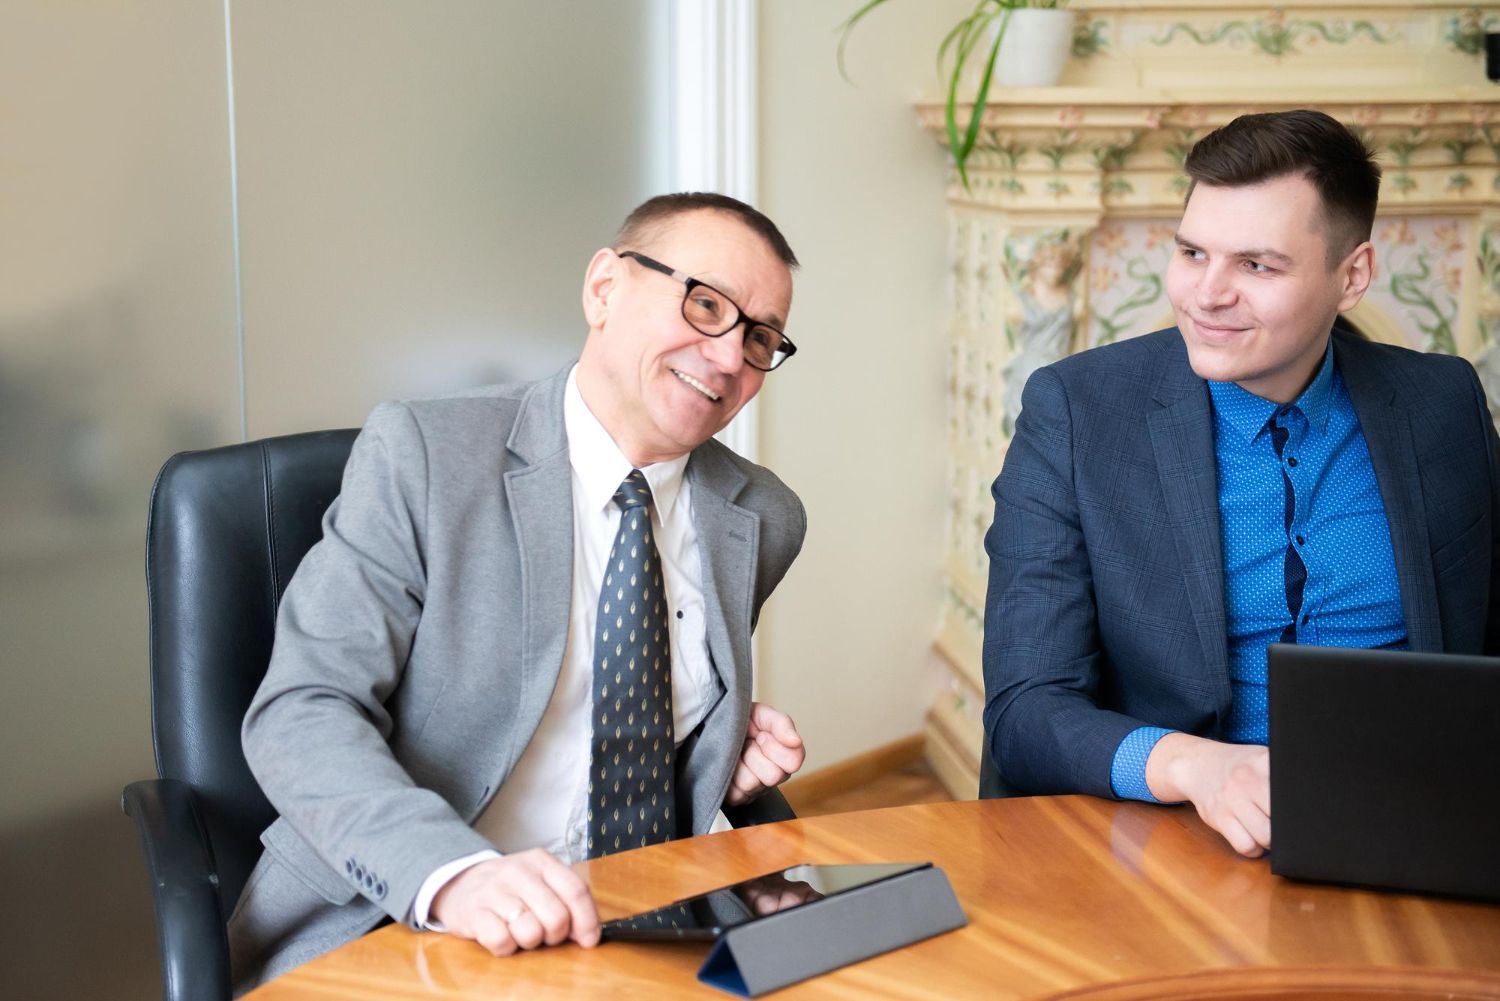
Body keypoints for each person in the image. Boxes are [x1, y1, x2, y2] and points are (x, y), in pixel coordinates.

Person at [229, 193, 810, 993]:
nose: (725, 355)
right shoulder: (425, 456)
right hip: (407, 916)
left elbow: (618, 725)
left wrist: (717, 757)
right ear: (604, 288)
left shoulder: (762, 514)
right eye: (704, 303)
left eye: (759, 336)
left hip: (643, 924)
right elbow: (301, 711)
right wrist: (456, 875)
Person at [982, 110, 1500, 858]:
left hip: (1417, 824)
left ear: (1351, 276)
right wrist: (1197, 766)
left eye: (1257, 265)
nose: (1206, 294)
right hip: (1166, 835)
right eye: (1193, 252)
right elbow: (1026, 708)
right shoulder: (1075, 412)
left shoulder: (1442, 403)